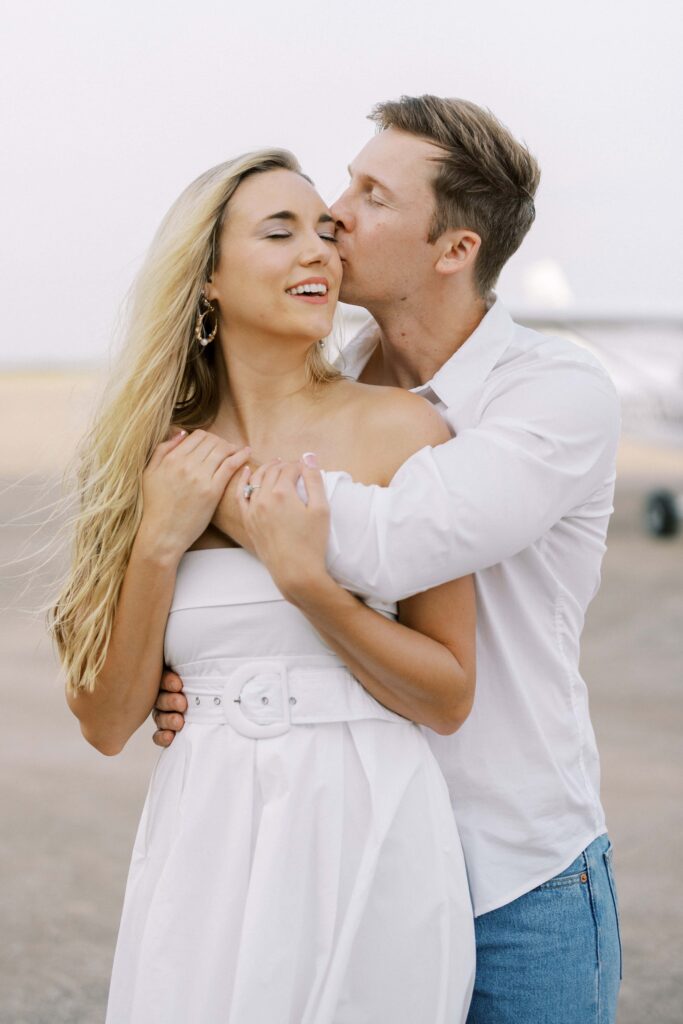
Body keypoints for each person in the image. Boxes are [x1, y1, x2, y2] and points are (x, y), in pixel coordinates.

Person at [155, 96, 623, 1023]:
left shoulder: (552, 394)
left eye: (372, 196)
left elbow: (400, 538)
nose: (335, 213)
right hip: (342, 862)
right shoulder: (330, 385)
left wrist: (196, 478)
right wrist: (211, 680)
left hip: (511, 876)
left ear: (453, 251)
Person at [50, 149, 478, 1023]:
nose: (317, 251)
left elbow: (445, 695)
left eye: (325, 231)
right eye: (279, 231)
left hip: (368, 826)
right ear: (205, 277)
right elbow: (105, 721)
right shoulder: (149, 455)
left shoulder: (405, 431)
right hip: (206, 840)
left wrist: (308, 584)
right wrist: (158, 546)